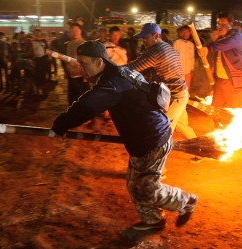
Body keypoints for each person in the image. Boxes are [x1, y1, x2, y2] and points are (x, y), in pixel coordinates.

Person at [51, 40, 198, 230]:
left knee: (147, 188)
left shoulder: (112, 83)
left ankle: (184, 201)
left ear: (98, 62)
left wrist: (60, 125)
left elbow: (84, 108)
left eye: (84, 62)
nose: (81, 67)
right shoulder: (120, 72)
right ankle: (153, 220)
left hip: (152, 139)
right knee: (135, 184)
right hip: (143, 138)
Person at [127, 23, 201, 163]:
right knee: (182, 126)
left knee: (161, 132)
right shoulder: (168, 47)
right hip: (180, 94)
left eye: (146, 38)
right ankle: (202, 150)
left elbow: (131, 68)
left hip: (173, 98)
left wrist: (107, 68)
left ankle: (156, 170)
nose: (143, 41)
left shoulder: (156, 51)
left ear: (156, 36)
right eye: (142, 38)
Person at [198, 11, 242, 108]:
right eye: (219, 23)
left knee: (235, 110)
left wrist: (208, 48)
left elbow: (226, 44)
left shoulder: (237, 35)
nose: (220, 26)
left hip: (232, 81)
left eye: (223, 23)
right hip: (220, 80)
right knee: (217, 109)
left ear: (231, 24)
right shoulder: (220, 38)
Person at [64, 23, 89, 105]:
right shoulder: (69, 44)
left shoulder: (84, 44)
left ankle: (85, 117)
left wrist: (86, 76)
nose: (74, 32)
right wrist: (66, 71)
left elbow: (87, 61)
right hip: (71, 78)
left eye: (76, 30)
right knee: (72, 100)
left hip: (81, 78)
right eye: (72, 30)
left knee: (82, 100)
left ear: (80, 31)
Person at [173, 25, 195, 90]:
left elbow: (192, 58)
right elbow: (174, 57)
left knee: (187, 88)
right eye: (184, 32)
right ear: (181, 33)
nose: (185, 34)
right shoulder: (177, 43)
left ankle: (186, 100)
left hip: (188, 71)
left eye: (187, 32)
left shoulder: (191, 44)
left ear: (190, 33)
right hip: (179, 72)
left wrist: (192, 70)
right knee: (178, 88)